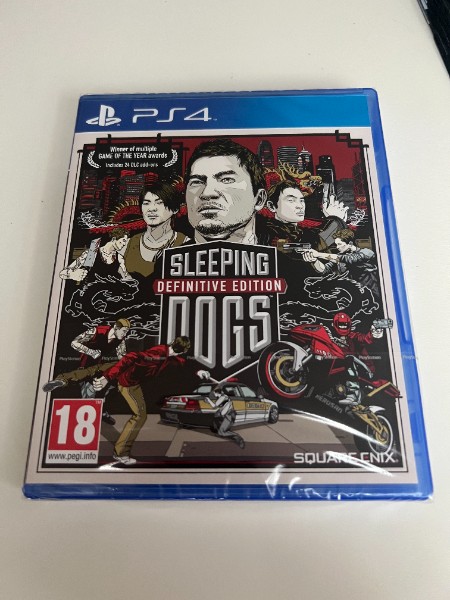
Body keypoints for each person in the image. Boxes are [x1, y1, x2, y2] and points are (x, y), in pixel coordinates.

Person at [91, 336, 209, 465]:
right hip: (128, 384)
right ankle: (121, 453)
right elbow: (130, 357)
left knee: (140, 415)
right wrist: (106, 378)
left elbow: (183, 362)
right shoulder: (157, 354)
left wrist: (198, 371)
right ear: (183, 350)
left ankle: (120, 451)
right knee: (139, 416)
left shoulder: (169, 356)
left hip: (134, 383)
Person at [184, 138, 267, 244]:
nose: (207, 193)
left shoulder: (278, 254)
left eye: (227, 180)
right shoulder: (168, 255)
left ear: (259, 199)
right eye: (197, 182)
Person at [263, 180, 348, 253]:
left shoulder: (303, 231)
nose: (300, 206)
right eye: (291, 200)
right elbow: (312, 247)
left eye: (301, 200)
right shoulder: (269, 233)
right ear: (271, 206)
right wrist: (336, 219)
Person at [123, 181, 186, 279]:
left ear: (175, 209)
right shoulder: (127, 244)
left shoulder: (186, 243)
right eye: (146, 203)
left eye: (159, 203)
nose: (151, 209)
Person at [303, 228, 380, 296]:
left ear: (350, 243)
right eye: (336, 244)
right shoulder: (339, 256)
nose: (337, 247)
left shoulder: (367, 252)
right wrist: (315, 261)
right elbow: (324, 269)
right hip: (352, 292)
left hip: (371, 292)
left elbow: (346, 259)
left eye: (339, 244)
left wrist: (318, 254)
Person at [59, 227, 131, 283]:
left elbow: (126, 277)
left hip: (110, 294)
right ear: (114, 239)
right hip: (91, 293)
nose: (124, 244)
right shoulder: (92, 253)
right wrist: (72, 275)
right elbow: (62, 273)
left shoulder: (119, 258)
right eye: (123, 240)